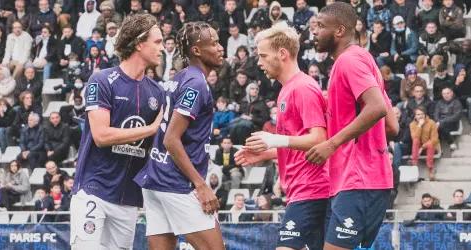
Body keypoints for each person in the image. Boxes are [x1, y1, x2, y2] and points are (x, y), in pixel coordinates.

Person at [308, 3, 398, 249]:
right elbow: (391, 126)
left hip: (358, 180)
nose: (314, 32)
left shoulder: (349, 60)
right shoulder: (364, 59)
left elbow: (377, 108)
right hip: (367, 178)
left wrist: (333, 143)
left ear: (339, 31)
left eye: (320, 26)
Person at [70, 14, 165, 249]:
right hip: (94, 190)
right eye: (158, 41)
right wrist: (151, 128)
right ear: (139, 43)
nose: (162, 48)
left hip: (129, 198)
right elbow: (101, 136)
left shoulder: (158, 93)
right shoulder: (101, 80)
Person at [235, 22, 330, 250]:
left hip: (312, 189)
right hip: (302, 189)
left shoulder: (303, 88)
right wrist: (265, 154)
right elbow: (299, 144)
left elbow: (319, 140)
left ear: (283, 54)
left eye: (263, 56)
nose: (258, 62)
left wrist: (274, 140)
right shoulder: (286, 89)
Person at [134, 21, 225, 250]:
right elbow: (171, 139)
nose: (220, 47)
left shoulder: (180, 78)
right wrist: (201, 184)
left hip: (155, 179)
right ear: (196, 50)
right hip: (176, 183)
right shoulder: (196, 83)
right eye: (213, 43)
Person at [410, 106, 439, 180]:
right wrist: (419, 125)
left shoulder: (431, 123)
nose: (420, 116)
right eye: (418, 114)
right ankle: (414, 164)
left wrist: (422, 147)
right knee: (416, 140)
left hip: (430, 148)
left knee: (430, 144)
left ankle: (430, 169)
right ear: (415, 116)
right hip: (418, 149)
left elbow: (434, 139)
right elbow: (414, 137)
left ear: (425, 114)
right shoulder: (412, 124)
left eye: (422, 114)